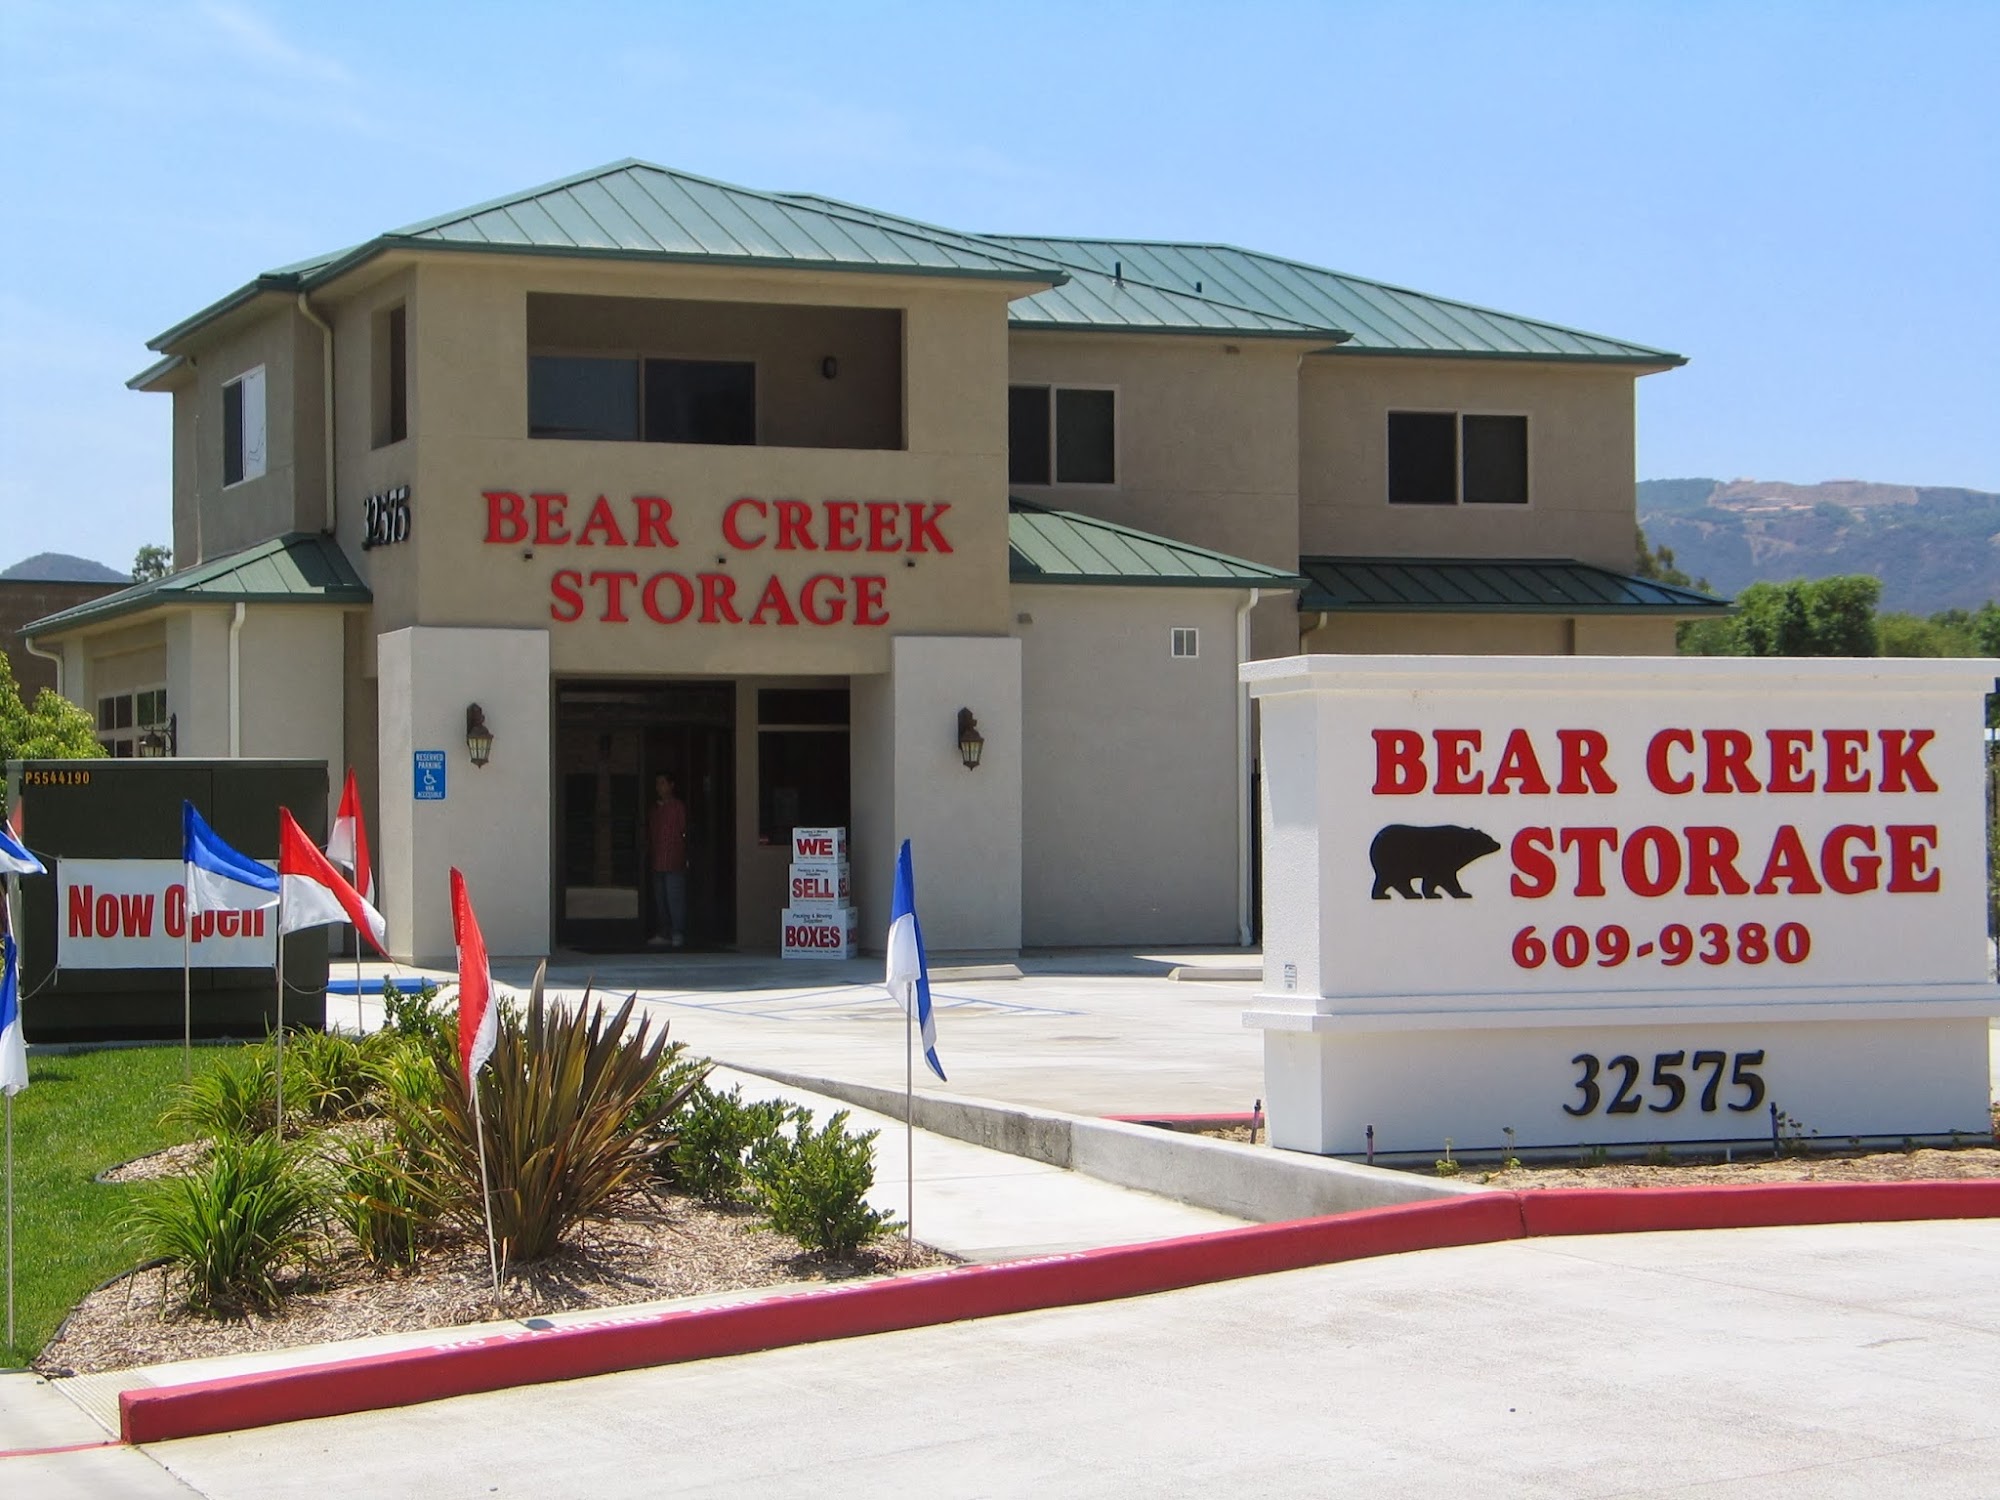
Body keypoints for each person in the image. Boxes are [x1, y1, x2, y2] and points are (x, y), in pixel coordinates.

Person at [647, 771, 688, 948]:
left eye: (663, 783)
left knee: (675, 899)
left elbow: (684, 831)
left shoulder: (678, 807)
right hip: (657, 861)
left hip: (674, 861)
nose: (659, 787)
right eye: (657, 783)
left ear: (671, 785)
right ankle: (664, 933)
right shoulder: (654, 810)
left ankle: (677, 933)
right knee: (661, 900)